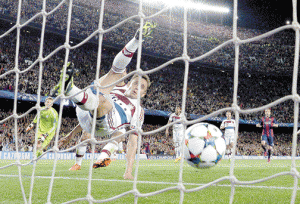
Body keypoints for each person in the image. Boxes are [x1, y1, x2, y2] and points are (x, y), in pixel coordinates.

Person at [51, 22, 156, 179]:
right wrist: (70, 135)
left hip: (105, 126)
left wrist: (128, 171)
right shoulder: (120, 85)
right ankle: (136, 39)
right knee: (117, 74)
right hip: (87, 109)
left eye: (141, 87)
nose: (137, 88)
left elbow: (133, 142)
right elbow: (85, 122)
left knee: (106, 106)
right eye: (135, 83)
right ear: (130, 82)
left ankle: (71, 90)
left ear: (144, 93)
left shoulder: (138, 110)